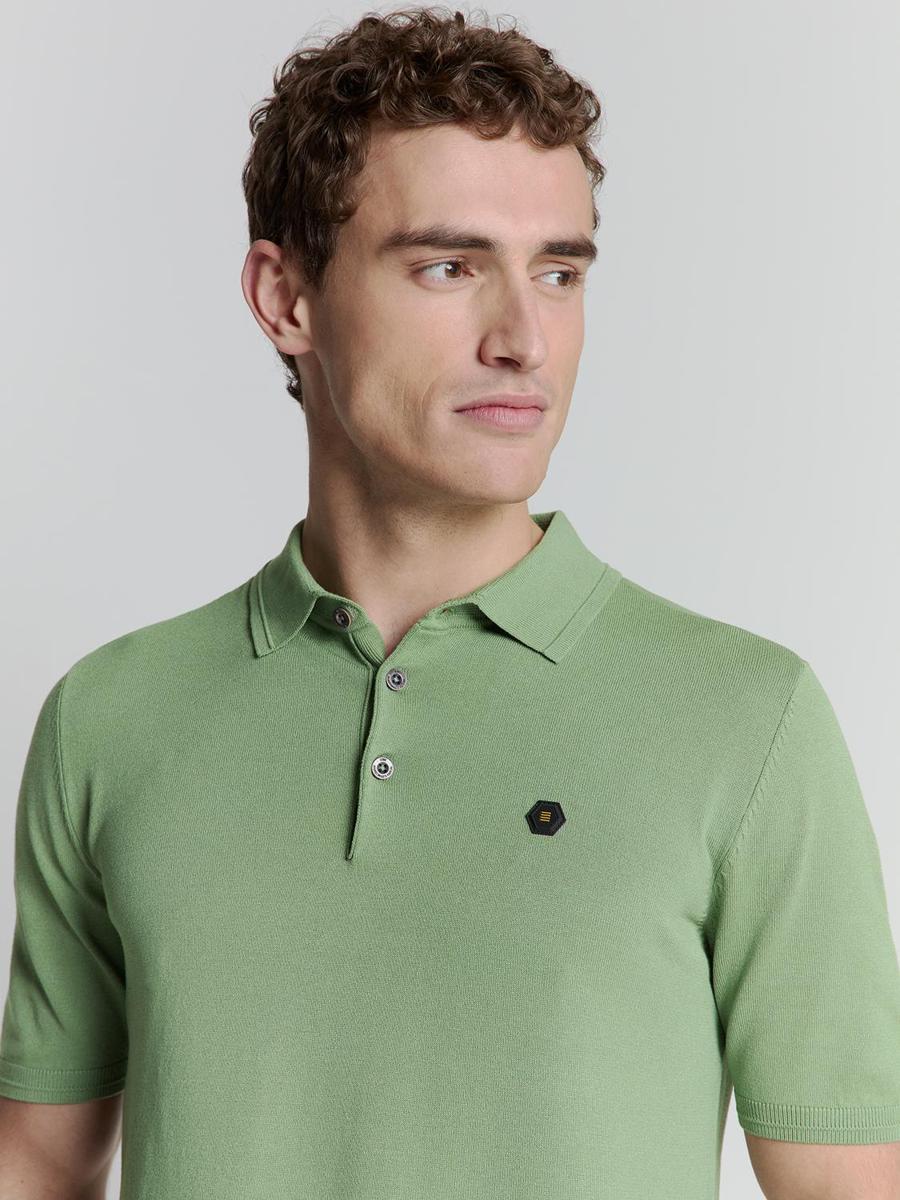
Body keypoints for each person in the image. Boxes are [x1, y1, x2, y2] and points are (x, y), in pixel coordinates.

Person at [1, 7, 899, 1199]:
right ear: (286, 299)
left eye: (559, 272)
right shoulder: (112, 718)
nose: (525, 338)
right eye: (448, 266)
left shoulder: (747, 718)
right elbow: (37, 1164)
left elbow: (847, 1185)